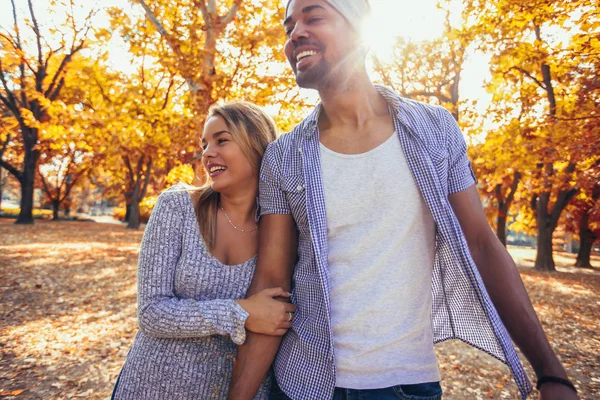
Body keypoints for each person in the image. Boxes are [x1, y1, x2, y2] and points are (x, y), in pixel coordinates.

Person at [228, 1, 579, 400]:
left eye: (315, 17)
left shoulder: (434, 130)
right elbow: (272, 286)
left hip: (405, 384)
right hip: (304, 383)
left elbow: (481, 244)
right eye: (289, 26)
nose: (295, 34)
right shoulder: (284, 156)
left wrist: (552, 374)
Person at [111, 102, 296, 400]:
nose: (207, 154)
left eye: (222, 140)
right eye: (205, 144)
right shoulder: (177, 206)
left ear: (258, 145)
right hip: (151, 387)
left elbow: (279, 315)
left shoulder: (280, 229)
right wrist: (240, 312)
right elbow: (151, 313)